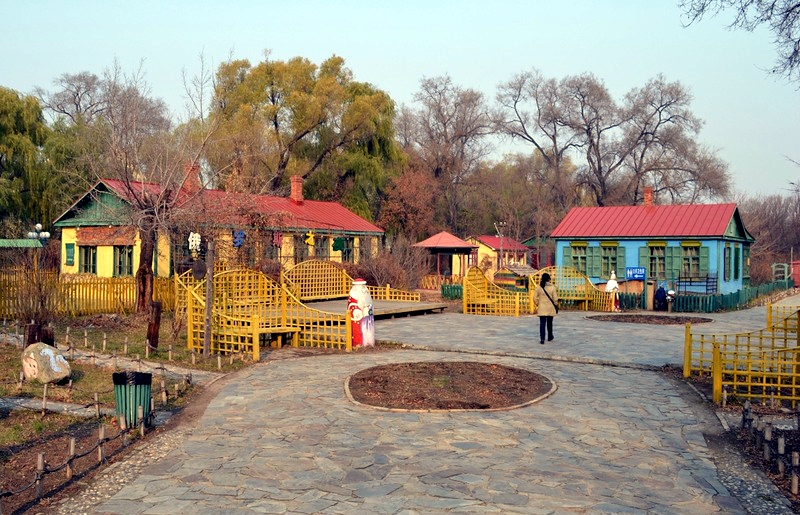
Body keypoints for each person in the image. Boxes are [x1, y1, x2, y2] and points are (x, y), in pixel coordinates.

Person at [533, 272, 558, 344]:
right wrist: (556, 304)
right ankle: (550, 336)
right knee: (550, 323)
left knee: (542, 324)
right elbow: (555, 299)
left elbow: (534, 298)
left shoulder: (539, 287)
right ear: (549, 279)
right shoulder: (552, 287)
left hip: (542, 308)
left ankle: (542, 338)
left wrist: (538, 304)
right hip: (550, 307)